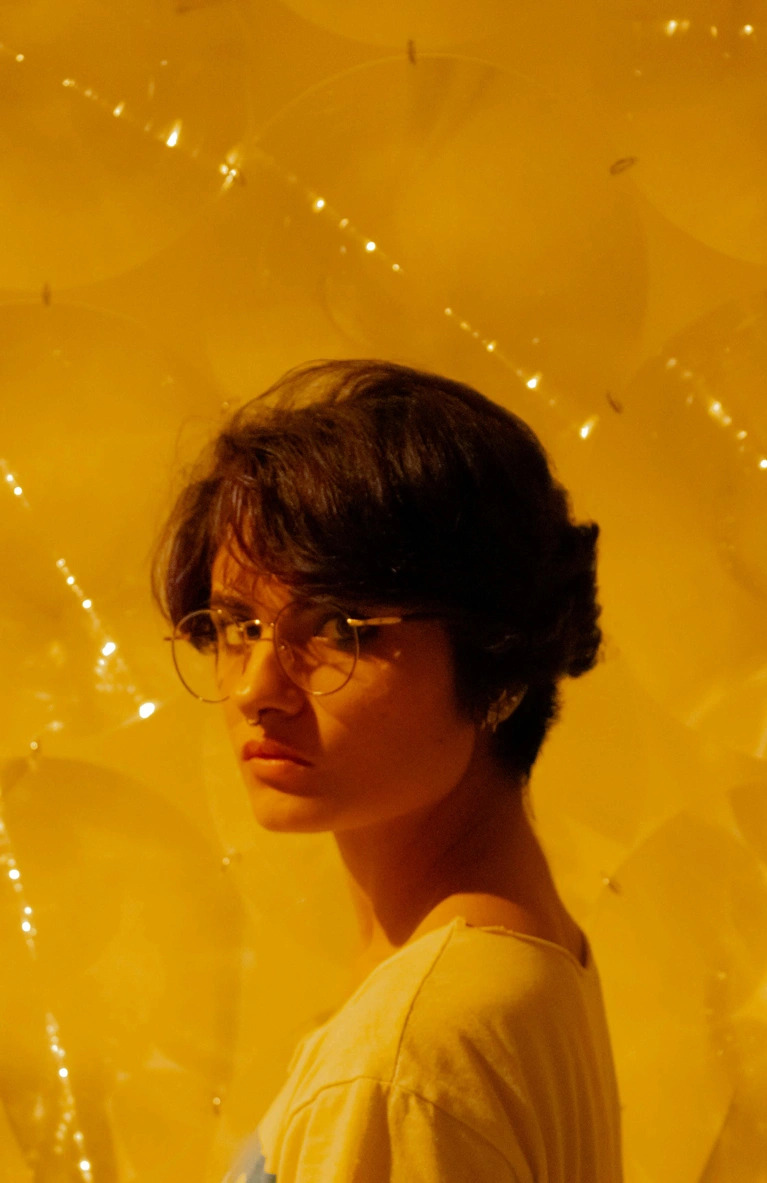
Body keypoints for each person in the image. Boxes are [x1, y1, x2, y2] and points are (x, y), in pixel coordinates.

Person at [153, 359, 623, 1182]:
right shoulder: (520, 958)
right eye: (237, 624)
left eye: (339, 628)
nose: (257, 688)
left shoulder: (410, 1053)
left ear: (498, 663)